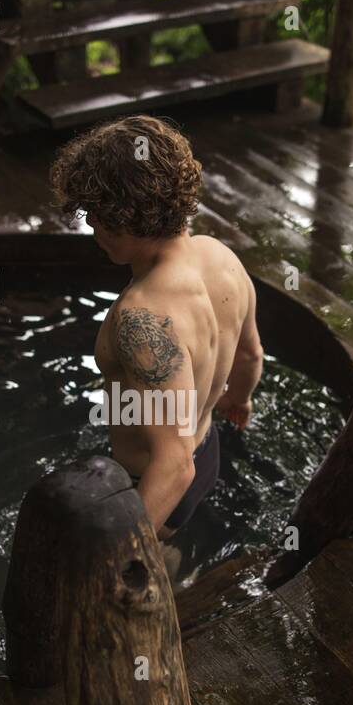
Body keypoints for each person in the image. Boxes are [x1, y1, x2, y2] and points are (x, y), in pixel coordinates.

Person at [50, 115, 263, 544]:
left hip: (150, 484)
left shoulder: (140, 316)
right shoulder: (221, 257)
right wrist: (239, 400)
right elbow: (249, 356)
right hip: (208, 450)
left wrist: (110, 562)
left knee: (124, 574)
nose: (92, 229)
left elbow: (173, 466)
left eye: (96, 215)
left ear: (125, 215)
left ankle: (160, 568)